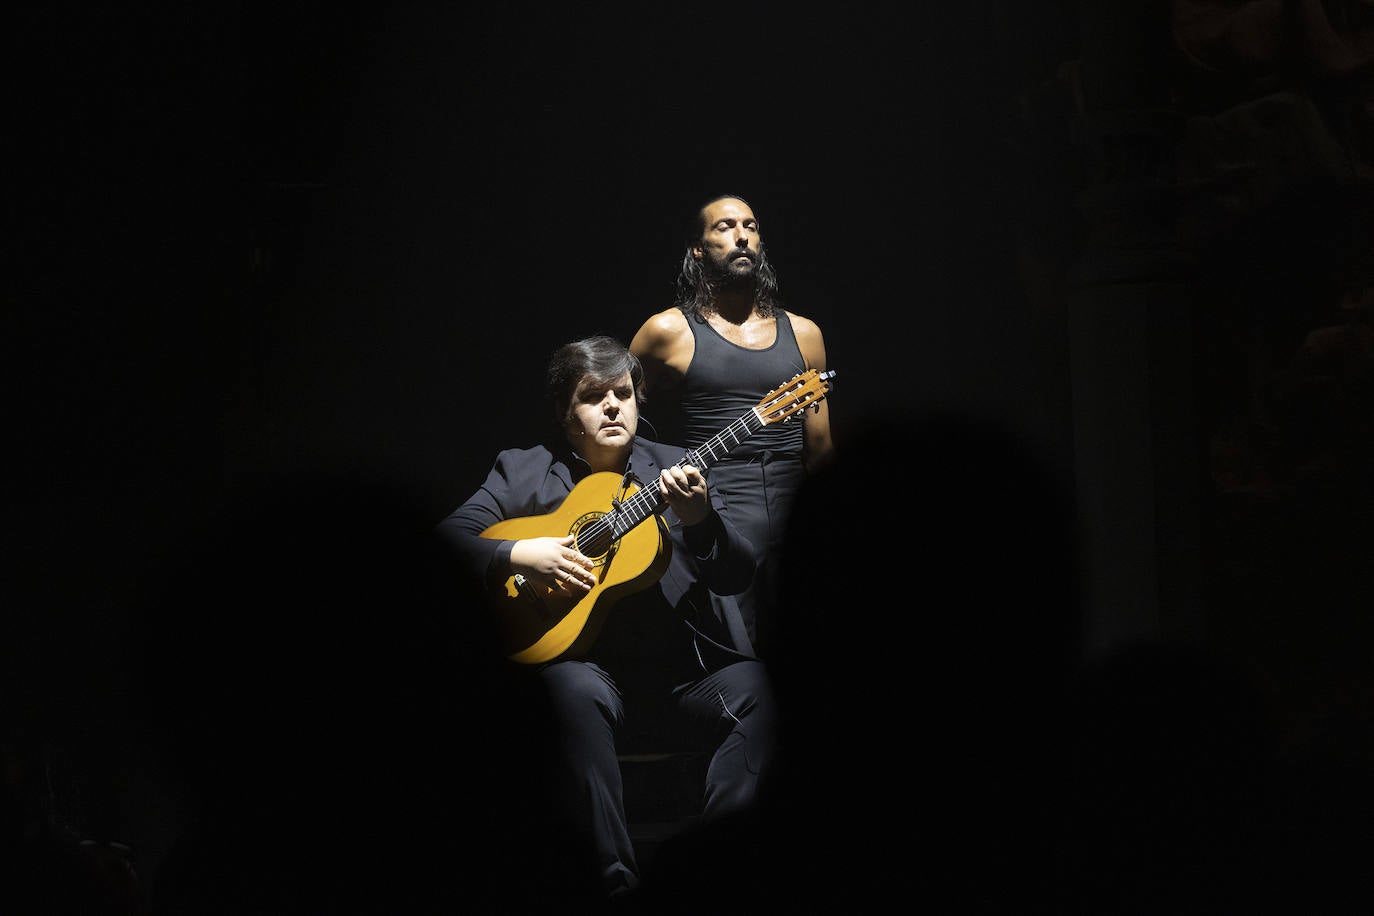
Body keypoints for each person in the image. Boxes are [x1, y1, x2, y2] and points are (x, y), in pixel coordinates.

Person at [433, 335, 778, 903]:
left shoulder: (674, 467)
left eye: (624, 393)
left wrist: (701, 521)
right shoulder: (523, 471)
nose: (614, 406)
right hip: (587, 674)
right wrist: (518, 555)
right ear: (567, 412)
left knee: (762, 691)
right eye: (595, 396)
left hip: (679, 677)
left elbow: (737, 574)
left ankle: (718, 871)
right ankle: (613, 886)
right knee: (567, 692)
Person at [629, 193, 834, 659]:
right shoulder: (667, 332)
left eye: (751, 226)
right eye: (724, 227)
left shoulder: (805, 334)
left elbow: (820, 450)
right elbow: (618, 418)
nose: (741, 235)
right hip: (715, 515)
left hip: (792, 513)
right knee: (735, 659)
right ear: (698, 248)